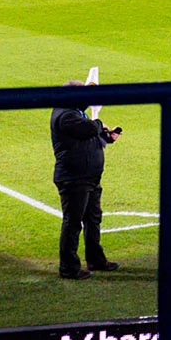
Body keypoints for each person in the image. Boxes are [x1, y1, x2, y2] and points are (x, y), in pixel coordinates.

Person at [49, 85, 119, 278]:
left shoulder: (75, 113)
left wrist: (106, 136)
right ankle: (69, 268)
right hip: (74, 178)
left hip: (88, 177)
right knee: (73, 223)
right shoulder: (66, 116)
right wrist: (99, 124)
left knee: (93, 218)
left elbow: (89, 135)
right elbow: (88, 129)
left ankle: (96, 259)